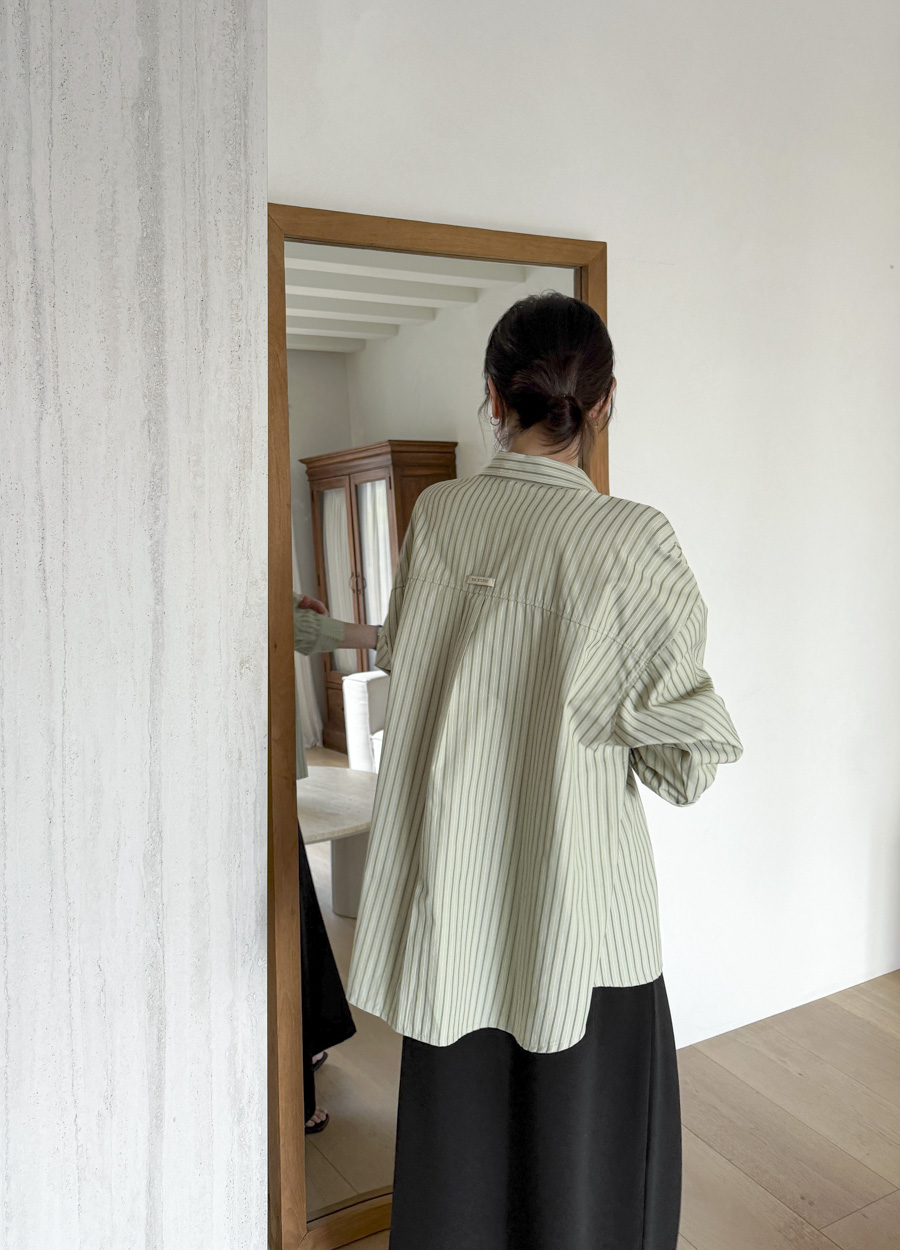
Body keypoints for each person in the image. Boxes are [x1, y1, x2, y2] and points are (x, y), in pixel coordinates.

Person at [345, 291, 744, 1249]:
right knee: (586, 1192)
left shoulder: (439, 515)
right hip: (580, 919)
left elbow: (416, 664)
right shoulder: (630, 541)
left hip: (454, 908)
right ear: (605, 403)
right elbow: (685, 769)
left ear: (493, 396)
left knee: (459, 1184)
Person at [292, 596, 380, 1133]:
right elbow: (290, 626)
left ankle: (308, 1042)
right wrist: (381, 635)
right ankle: (295, 1093)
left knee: (301, 916)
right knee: (292, 925)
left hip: (261, 762)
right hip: (254, 762)